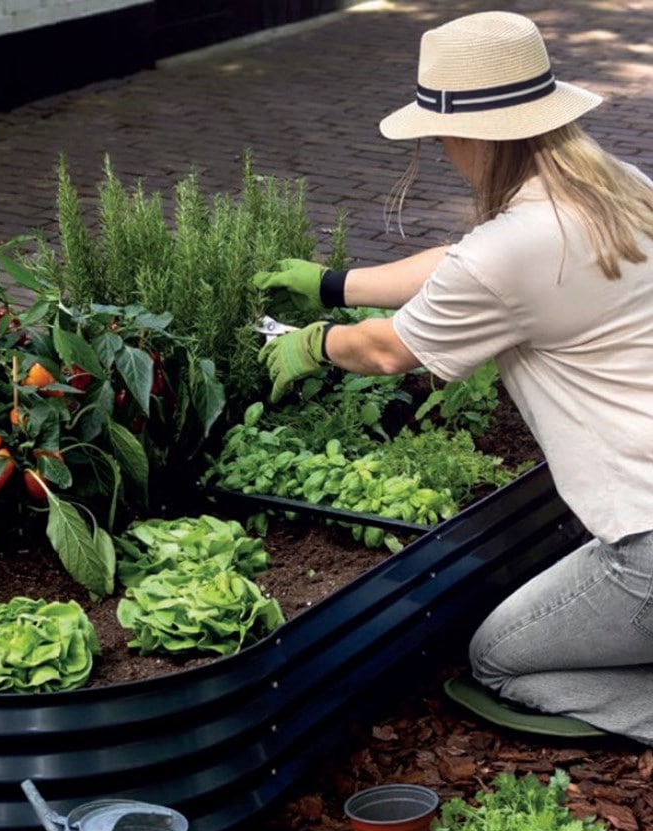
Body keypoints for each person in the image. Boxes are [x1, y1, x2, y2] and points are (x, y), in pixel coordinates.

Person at [252, 11, 653, 743]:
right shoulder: (617, 187)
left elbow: (388, 352)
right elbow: (466, 261)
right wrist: (336, 284)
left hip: (648, 543)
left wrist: (314, 343)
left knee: (500, 659)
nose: (440, 150)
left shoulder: (515, 248)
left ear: (476, 136)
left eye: (440, 135)